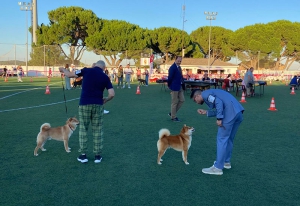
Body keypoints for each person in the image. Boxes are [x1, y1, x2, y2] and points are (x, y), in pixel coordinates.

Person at [59, 60, 115, 164]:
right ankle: (98, 156)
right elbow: (112, 94)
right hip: (98, 105)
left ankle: (83, 155)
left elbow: (69, 75)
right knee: (97, 130)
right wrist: (105, 100)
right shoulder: (105, 77)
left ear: (95, 64)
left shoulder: (85, 70)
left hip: (84, 104)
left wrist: (62, 69)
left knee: (83, 129)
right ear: (103, 68)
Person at [191, 89, 244, 175]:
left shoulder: (205, 94)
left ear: (197, 96)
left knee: (221, 139)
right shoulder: (212, 92)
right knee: (229, 139)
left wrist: (219, 118)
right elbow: (221, 106)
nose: (196, 102)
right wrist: (207, 112)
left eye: (195, 100)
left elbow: (219, 103)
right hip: (238, 113)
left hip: (230, 114)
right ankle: (226, 162)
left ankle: (218, 167)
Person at [167, 56, 185, 122]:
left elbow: (181, 76)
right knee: (174, 102)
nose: (179, 62)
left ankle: (172, 113)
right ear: (175, 59)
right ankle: (173, 117)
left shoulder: (179, 67)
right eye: (178, 60)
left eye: (180, 61)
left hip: (179, 86)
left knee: (182, 100)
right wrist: (169, 85)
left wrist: (183, 84)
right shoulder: (172, 68)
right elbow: (170, 77)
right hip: (174, 87)